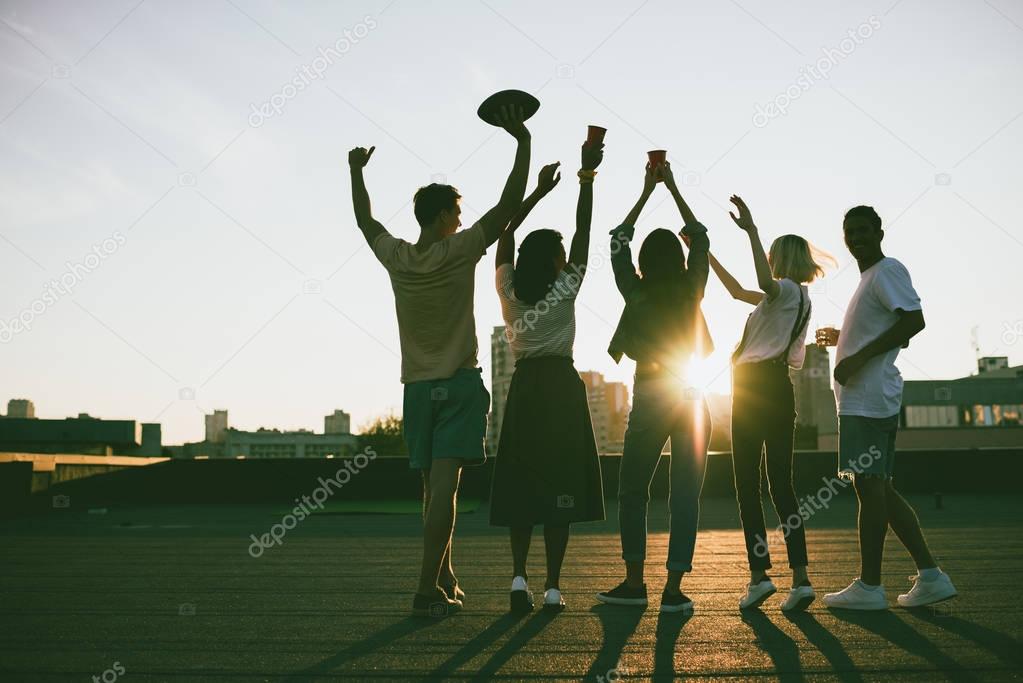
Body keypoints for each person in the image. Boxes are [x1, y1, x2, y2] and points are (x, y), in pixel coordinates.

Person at [347, 106, 531, 617]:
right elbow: (509, 203)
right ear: (442, 216)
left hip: (417, 390)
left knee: (433, 492)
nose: (462, 219)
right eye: (456, 212)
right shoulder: (463, 249)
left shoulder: (398, 257)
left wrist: (357, 173)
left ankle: (445, 575)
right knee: (445, 493)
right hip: (458, 385)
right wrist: (521, 141)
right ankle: (425, 591)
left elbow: (366, 219)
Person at [818, 205, 957, 610]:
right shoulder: (871, 278)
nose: (856, 236)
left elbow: (913, 321)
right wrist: (844, 337)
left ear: (879, 231)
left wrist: (857, 358)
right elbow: (892, 328)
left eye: (863, 229)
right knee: (880, 487)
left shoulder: (887, 270)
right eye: (850, 231)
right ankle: (931, 577)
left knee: (868, 486)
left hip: (869, 398)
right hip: (868, 398)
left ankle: (870, 586)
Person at [489, 139, 606, 614]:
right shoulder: (564, 289)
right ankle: (553, 587)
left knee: (521, 484)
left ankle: (519, 579)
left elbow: (506, 235)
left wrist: (536, 193)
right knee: (561, 485)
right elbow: (584, 231)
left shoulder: (509, 289)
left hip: (524, 389)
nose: (566, 256)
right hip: (560, 387)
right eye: (561, 253)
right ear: (556, 260)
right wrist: (585, 176)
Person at [596, 161, 713, 614]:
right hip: (690, 394)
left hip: (651, 393)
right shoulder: (692, 288)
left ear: (644, 262)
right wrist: (673, 186)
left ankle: (633, 583)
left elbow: (616, 241)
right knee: (685, 493)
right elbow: (701, 236)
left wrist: (646, 192)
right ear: (681, 259)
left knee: (632, 490)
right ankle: (673, 589)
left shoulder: (636, 291)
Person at [704, 196, 831, 611]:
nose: (769, 260)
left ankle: (759, 576)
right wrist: (705, 255)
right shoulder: (790, 299)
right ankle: (801, 578)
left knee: (747, 486)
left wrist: (751, 230)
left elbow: (759, 280)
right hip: (779, 388)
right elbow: (740, 290)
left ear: (782, 258)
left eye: (772, 253)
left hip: (755, 389)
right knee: (783, 487)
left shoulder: (785, 290)